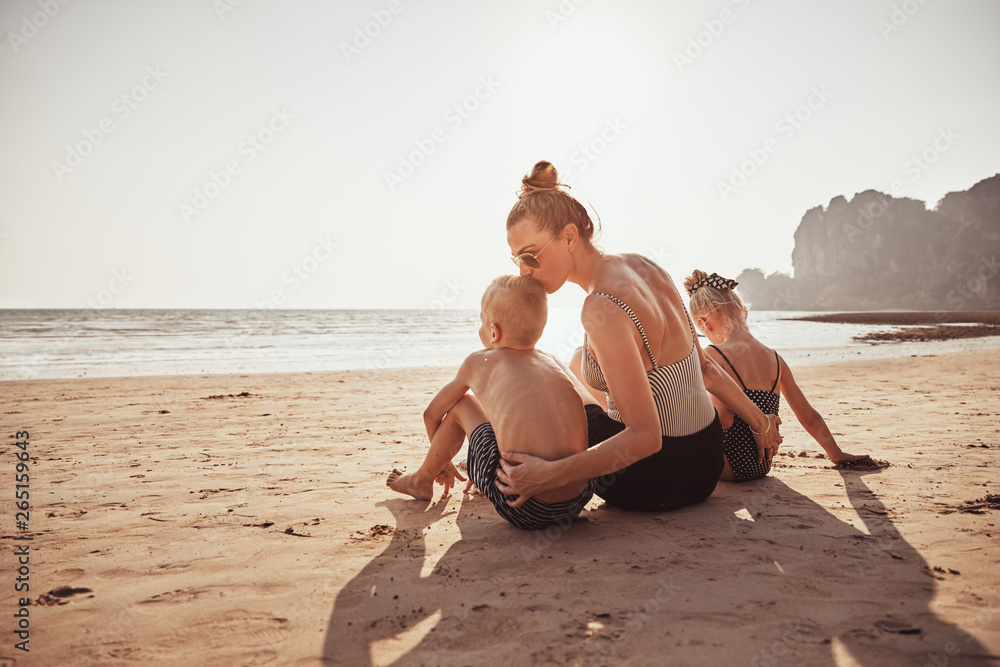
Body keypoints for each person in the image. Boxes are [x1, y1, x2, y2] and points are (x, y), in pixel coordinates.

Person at [495, 161, 783, 511]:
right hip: (707, 462)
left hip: (654, 479)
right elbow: (703, 367)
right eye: (516, 260)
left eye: (530, 255)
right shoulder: (645, 266)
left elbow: (646, 438)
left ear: (569, 237)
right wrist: (760, 421)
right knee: (574, 359)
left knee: (555, 379)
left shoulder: (600, 306)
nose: (524, 271)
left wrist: (548, 475)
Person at [386, 275, 596, 530]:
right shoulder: (550, 362)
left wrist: (443, 462)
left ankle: (422, 479)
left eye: (481, 322)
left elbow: (431, 414)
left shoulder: (479, 362)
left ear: (493, 332)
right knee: (511, 411)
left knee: (462, 403)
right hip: (577, 500)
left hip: (526, 507)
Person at [685, 270, 870, 481]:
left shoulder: (713, 355)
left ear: (704, 324)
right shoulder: (776, 359)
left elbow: (720, 420)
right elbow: (808, 416)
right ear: (744, 312)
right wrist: (836, 453)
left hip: (726, 466)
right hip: (760, 466)